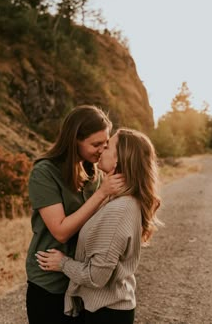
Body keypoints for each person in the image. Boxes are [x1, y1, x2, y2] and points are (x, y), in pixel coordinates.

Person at [36, 128, 162, 324]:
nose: (102, 149)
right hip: (107, 309)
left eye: (108, 146)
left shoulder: (119, 210)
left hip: (107, 314)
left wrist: (62, 263)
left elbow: (96, 277)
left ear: (119, 160)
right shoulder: (116, 199)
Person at [26, 105, 125, 324]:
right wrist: (102, 194)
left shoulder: (93, 172)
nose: (102, 149)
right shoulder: (44, 172)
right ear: (74, 141)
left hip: (82, 279)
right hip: (50, 281)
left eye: (105, 143)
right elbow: (60, 231)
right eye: (95, 144)